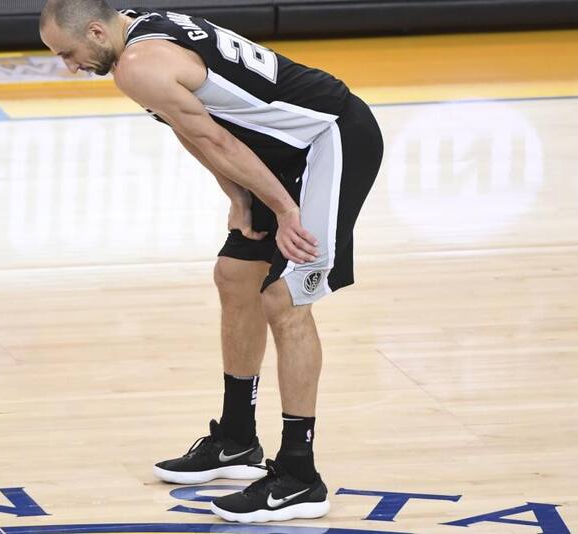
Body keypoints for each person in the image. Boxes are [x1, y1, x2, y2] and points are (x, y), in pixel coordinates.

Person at [40, 0, 383, 523]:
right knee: (235, 276)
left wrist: (285, 210)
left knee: (285, 299)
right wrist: (239, 196)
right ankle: (237, 440)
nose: (70, 66)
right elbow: (192, 127)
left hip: (329, 139)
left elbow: (214, 136)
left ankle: (299, 476)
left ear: (95, 31)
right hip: (278, 153)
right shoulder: (135, 28)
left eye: (68, 53)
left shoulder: (138, 65)